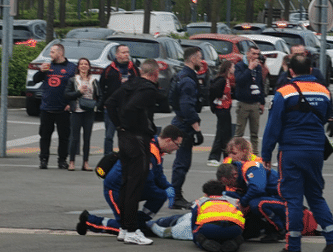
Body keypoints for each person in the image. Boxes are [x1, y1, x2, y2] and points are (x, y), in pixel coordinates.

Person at [261, 53, 333, 252]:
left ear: (291, 71)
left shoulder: (284, 92)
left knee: (292, 199)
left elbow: (273, 126)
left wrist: (266, 153)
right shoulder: (324, 91)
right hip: (315, 151)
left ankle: (293, 247)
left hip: (292, 151)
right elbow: (326, 116)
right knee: (315, 196)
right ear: (312, 70)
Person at [76, 125, 182, 239]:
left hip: (130, 187)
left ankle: (140, 222)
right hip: (115, 188)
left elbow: (158, 174)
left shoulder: (156, 150)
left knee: (159, 195)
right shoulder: (149, 151)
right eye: (177, 145)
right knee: (125, 226)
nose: (177, 148)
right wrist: (164, 191)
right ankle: (89, 221)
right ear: (168, 140)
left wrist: (167, 187)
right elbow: (148, 180)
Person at [105, 59, 160, 245]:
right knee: (135, 185)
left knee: (126, 183)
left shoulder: (130, 84)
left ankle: (123, 227)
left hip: (124, 138)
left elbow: (110, 103)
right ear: (155, 74)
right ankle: (131, 230)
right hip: (138, 138)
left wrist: (119, 125)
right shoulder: (149, 89)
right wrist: (128, 123)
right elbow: (130, 108)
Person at [33, 43, 76, 170]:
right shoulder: (47, 66)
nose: (50, 55)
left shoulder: (71, 68)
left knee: (64, 137)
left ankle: (62, 160)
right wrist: (41, 71)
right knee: (45, 136)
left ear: (60, 53)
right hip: (47, 107)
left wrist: (70, 103)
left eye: (52, 52)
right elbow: (36, 80)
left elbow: (75, 87)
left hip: (63, 108)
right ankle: (43, 159)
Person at [170, 46, 203, 209]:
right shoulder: (188, 80)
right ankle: (175, 196)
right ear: (192, 59)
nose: (201, 61)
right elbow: (187, 107)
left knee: (181, 163)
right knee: (182, 163)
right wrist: (197, 129)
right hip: (184, 125)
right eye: (199, 57)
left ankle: (175, 194)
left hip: (180, 121)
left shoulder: (180, 75)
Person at [99, 45, 140, 154]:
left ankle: (125, 157)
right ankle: (107, 158)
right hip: (111, 108)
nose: (126, 54)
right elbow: (102, 87)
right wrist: (103, 103)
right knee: (109, 136)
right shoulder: (109, 69)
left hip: (127, 108)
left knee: (126, 135)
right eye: (123, 52)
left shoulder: (134, 69)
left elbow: (139, 87)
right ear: (117, 54)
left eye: (127, 52)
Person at [64, 57, 100, 171]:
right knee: (74, 137)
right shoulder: (73, 80)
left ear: (89, 67)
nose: (84, 66)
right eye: (81, 64)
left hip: (89, 112)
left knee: (87, 138)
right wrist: (78, 92)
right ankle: (72, 162)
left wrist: (97, 105)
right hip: (77, 111)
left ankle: (85, 162)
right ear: (78, 67)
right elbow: (67, 94)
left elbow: (100, 95)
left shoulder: (93, 80)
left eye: (86, 64)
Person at [233, 46, 265, 155]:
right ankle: (236, 153)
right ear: (247, 54)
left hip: (255, 103)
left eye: (257, 54)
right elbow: (239, 81)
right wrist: (249, 69)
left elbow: (260, 84)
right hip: (243, 103)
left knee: (254, 133)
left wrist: (262, 102)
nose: (255, 56)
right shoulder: (240, 66)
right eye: (253, 53)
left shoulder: (259, 68)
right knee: (239, 132)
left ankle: (255, 154)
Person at [207, 60, 234, 166]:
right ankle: (213, 157)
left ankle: (226, 157)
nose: (234, 69)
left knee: (225, 133)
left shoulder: (227, 79)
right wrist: (219, 95)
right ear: (228, 68)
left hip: (225, 108)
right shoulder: (222, 79)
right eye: (233, 67)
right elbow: (213, 89)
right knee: (222, 133)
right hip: (221, 109)